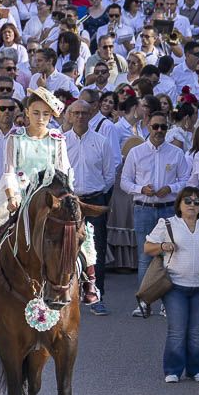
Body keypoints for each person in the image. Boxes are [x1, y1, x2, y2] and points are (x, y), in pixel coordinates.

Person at [0, 88, 99, 308]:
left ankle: (90, 281)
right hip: (17, 197)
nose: (40, 118)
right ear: (27, 113)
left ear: (51, 116)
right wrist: (12, 195)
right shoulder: (16, 138)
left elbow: (65, 171)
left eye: (45, 114)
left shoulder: (57, 139)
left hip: (52, 202)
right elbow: (9, 171)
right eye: (36, 112)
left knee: (84, 232)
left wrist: (67, 199)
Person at [146, 187, 199, 382]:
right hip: (175, 286)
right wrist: (163, 246)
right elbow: (147, 248)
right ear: (179, 205)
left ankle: (196, 369)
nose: (192, 205)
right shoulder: (167, 224)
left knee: (197, 331)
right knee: (177, 330)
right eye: (187, 201)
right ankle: (172, 370)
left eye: (196, 202)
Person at [122, 110, 192, 309]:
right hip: (143, 208)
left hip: (169, 209)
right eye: (155, 126)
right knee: (145, 258)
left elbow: (186, 180)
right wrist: (140, 189)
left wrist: (171, 188)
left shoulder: (176, 153)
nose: (159, 130)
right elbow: (124, 182)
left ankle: (167, 304)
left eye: (163, 126)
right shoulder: (136, 152)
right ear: (147, 125)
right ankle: (144, 302)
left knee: (171, 256)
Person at [64, 99, 119, 315]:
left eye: (84, 113)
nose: (79, 117)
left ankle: (96, 295)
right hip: (68, 202)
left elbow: (109, 175)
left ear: (90, 115)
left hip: (95, 200)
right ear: (69, 115)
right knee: (66, 250)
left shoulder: (102, 141)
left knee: (95, 250)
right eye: (75, 113)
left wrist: (96, 193)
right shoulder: (61, 141)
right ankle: (66, 297)